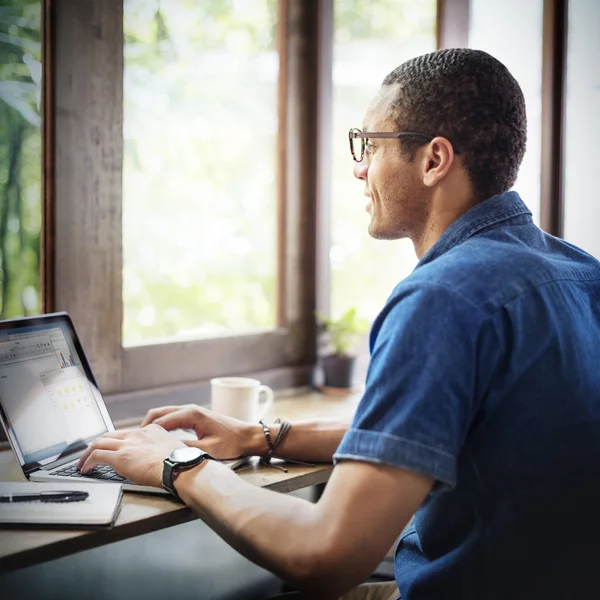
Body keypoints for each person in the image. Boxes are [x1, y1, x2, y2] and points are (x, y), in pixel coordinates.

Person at [77, 48, 600, 600]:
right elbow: (435, 434)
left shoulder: (444, 298)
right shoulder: (580, 273)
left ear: (434, 160)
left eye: (369, 146)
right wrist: (264, 437)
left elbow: (325, 553)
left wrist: (178, 464)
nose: (359, 166)